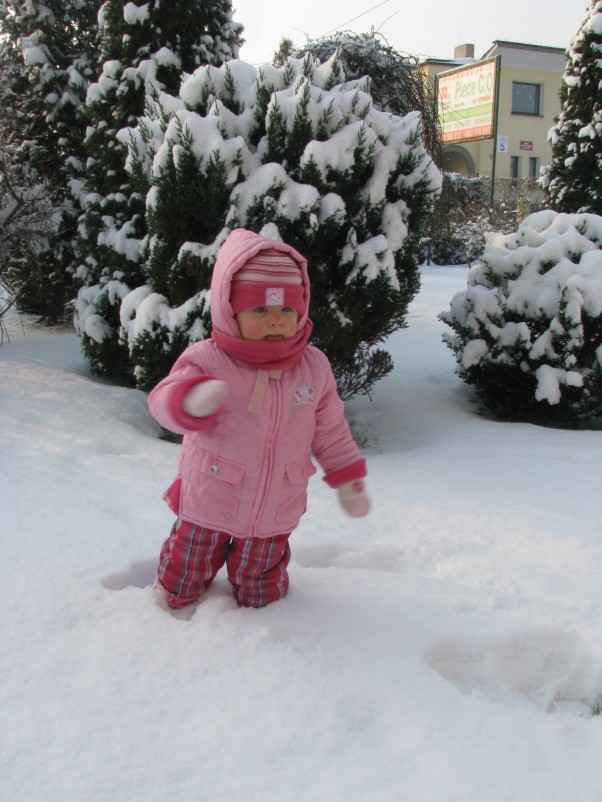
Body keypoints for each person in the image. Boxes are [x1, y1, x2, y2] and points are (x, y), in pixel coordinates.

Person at [148, 227, 370, 610]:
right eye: (260, 310)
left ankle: (264, 637)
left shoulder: (313, 367)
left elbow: (331, 429)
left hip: (274, 507)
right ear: (230, 310)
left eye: (287, 310)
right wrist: (188, 401)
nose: (275, 321)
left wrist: (348, 478)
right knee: (184, 574)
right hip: (210, 497)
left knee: (262, 588)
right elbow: (161, 401)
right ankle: (168, 621)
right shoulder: (208, 358)